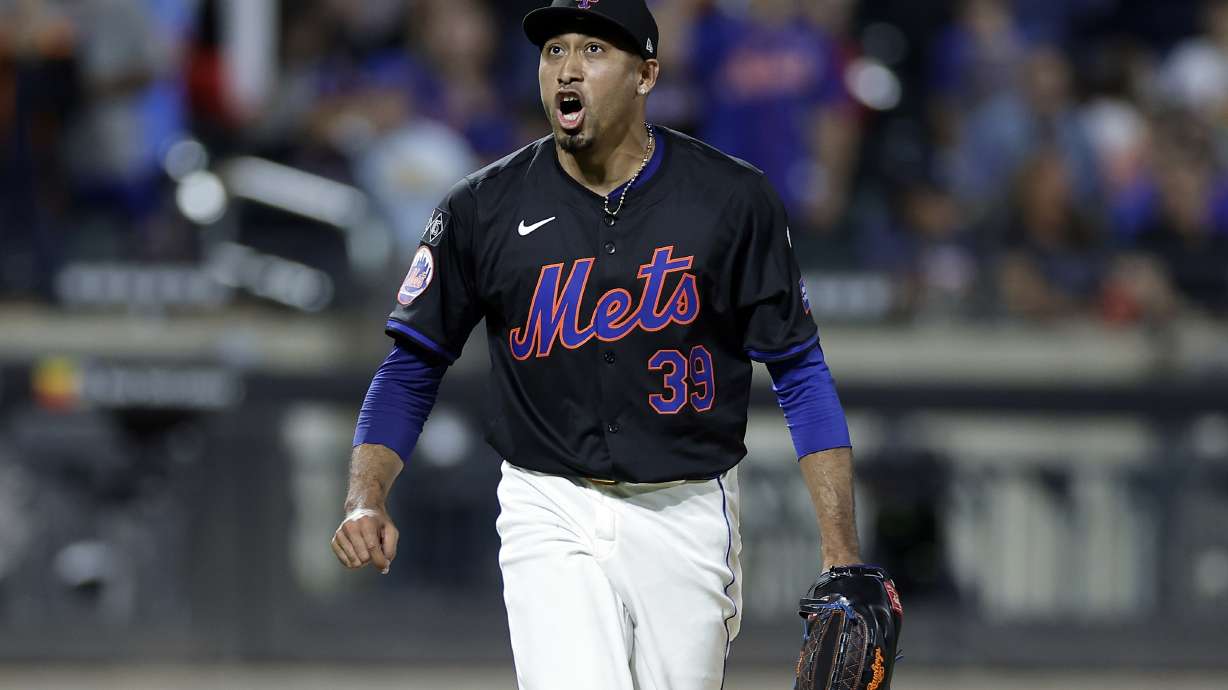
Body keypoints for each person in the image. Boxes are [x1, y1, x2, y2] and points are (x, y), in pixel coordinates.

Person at [331, 2, 863, 687]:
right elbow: (410, 366)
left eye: (592, 50)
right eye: (554, 51)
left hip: (689, 507)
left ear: (646, 74)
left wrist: (841, 549)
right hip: (548, 501)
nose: (567, 69)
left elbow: (798, 371)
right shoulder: (481, 208)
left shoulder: (732, 198)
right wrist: (365, 496)